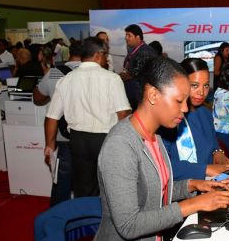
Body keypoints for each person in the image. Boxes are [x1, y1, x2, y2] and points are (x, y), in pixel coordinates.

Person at [88, 56, 229, 241]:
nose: (185, 108)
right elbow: (129, 225)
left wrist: (194, 185)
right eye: (179, 101)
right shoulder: (120, 145)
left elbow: (157, 190)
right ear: (153, 96)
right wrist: (195, 204)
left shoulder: (154, 137)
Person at [45, 37, 131, 197]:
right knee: (110, 187)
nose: (107, 59)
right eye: (106, 54)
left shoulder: (66, 80)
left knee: (83, 188)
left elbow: (52, 117)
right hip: (106, 140)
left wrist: (49, 146)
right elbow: (123, 113)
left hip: (78, 141)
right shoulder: (112, 78)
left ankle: (86, 220)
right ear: (98, 55)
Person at [160, 58, 229, 180]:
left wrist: (218, 152)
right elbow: (162, 167)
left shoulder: (205, 113)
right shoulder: (168, 119)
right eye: (194, 85)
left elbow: (213, 143)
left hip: (210, 183)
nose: (201, 92)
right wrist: (206, 169)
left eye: (205, 85)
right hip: (181, 190)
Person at [33, 42, 82, 207]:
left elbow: (38, 97)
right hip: (92, 137)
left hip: (64, 137)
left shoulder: (55, 73)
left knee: (62, 182)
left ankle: (57, 218)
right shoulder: (97, 73)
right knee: (91, 182)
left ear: (69, 54)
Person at [120, 24, 156, 110]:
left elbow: (137, 72)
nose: (126, 38)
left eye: (129, 35)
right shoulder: (134, 50)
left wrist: (126, 75)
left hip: (139, 97)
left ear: (138, 37)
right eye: (126, 35)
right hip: (134, 95)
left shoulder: (145, 51)